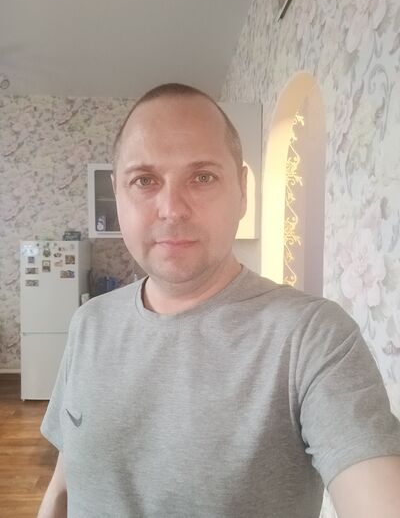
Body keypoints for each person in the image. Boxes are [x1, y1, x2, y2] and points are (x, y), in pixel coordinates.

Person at [38, 83, 400, 518]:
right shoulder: (89, 323)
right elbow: (63, 486)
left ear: (243, 190)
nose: (172, 208)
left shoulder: (312, 338)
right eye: (144, 180)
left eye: (202, 177)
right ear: (117, 194)